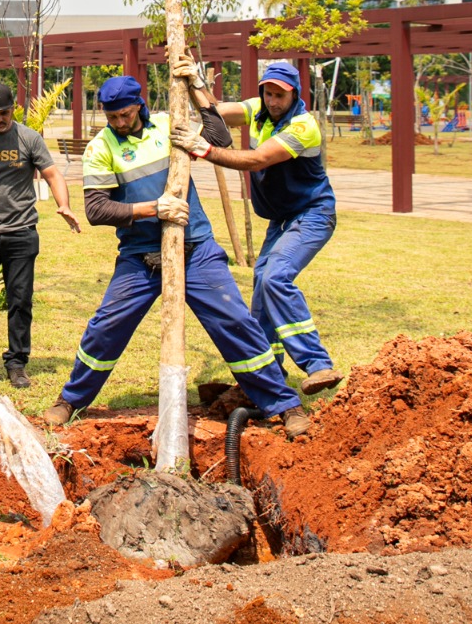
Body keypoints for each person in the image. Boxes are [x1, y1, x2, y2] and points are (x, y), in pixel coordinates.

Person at [44, 75, 308, 438]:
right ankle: (70, 400)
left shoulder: (171, 124)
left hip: (196, 246)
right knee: (106, 326)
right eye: (112, 117)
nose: (119, 123)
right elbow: (97, 209)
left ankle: (284, 405)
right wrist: (154, 208)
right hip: (140, 255)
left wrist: (197, 91)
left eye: (124, 114)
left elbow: (220, 139)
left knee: (235, 322)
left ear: (139, 104)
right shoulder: (101, 147)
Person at [172, 56, 342, 396]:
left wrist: (202, 149)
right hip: (281, 220)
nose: (273, 101)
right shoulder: (259, 109)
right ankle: (269, 369)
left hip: (312, 214)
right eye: (268, 94)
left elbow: (256, 160)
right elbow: (217, 113)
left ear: (294, 95)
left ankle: (318, 364)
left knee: (275, 276)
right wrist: (196, 81)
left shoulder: (303, 126)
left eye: (280, 95)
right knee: (262, 286)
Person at [0, 81, 81, 389]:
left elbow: (52, 174)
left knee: (20, 299)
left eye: (3, 112)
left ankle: (17, 362)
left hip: (21, 231)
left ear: (13, 109)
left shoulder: (28, 138)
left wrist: (63, 205)